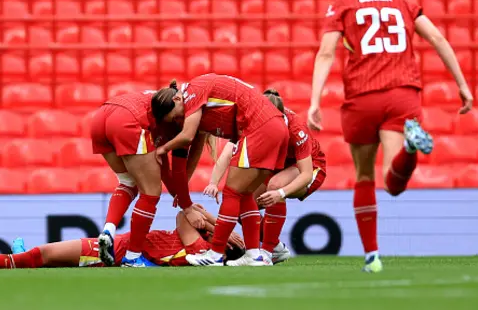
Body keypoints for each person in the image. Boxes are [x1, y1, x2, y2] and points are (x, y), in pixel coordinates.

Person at [308, 0, 473, 273]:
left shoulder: (342, 5)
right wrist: (463, 85)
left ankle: (372, 257)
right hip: (403, 94)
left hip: (362, 96)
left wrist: (314, 101)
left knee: (365, 176)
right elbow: (439, 40)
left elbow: (326, 53)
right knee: (393, 183)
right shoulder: (404, 2)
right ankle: (411, 149)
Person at [151, 74, 290, 266]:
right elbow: (190, 152)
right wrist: (181, 190)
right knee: (245, 193)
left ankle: (215, 253)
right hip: (276, 128)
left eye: (177, 116)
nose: (180, 120)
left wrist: (163, 149)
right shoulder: (195, 102)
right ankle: (254, 254)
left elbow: (187, 136)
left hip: (259, 128)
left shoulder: (192, 92)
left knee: (232, 192)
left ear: (176, 98)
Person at [203, 88, 327, 264]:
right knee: (240, 200)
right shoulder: (252, 119)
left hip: (311, 167)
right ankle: (274, 248)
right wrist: (213, 182)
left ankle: (267, 253)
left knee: (275, 185)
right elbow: (228, 151)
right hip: (277, 167)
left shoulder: (296, 128)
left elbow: (306, 173)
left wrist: (281, 193)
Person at [90, 89, 205, 267]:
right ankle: (133, 256)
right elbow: (177, 171)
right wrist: (186, 206)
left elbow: (163, 166)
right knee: (151, 192)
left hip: (101, 116)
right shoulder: (182, 125)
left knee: (129, 182)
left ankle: (108, 230)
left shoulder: (165, 104)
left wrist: (181, 199)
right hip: (128, 120)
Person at [0, 205, 245, 269]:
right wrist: (220, 226)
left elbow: (185, 214)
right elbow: (196, 210)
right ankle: (19, 253)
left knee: (43, 257)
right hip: (122, 246)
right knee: (46, 256)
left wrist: (222, 228)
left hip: (114, 252)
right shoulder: (201, 245)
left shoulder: (200, 250)